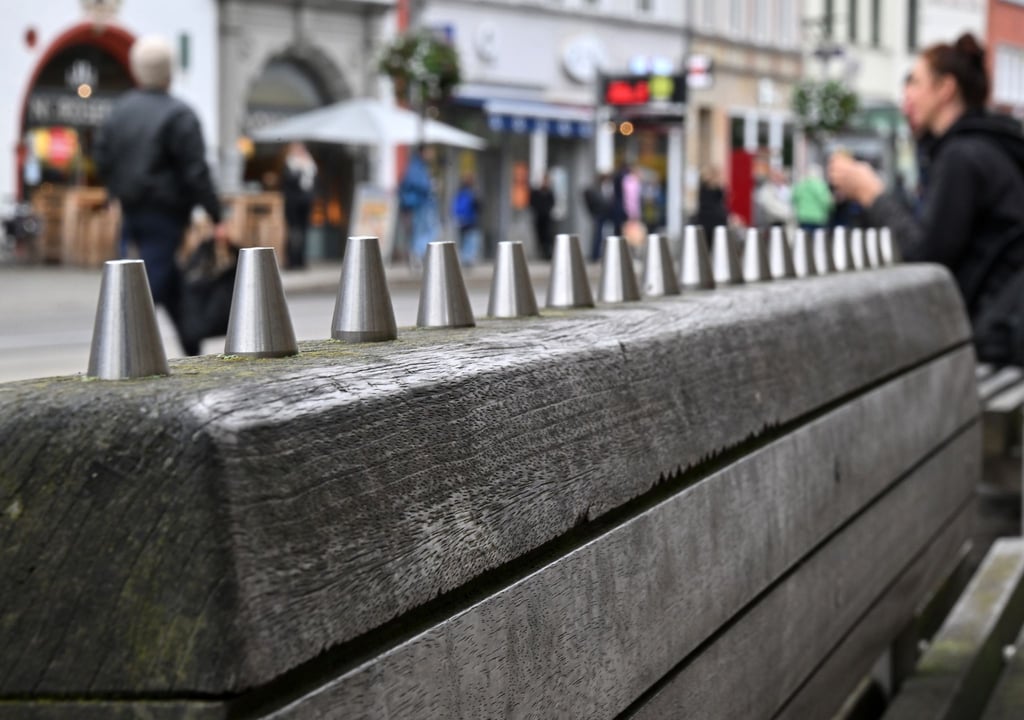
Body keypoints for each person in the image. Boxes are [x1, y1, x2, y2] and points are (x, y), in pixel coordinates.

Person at [829, 33, 1024, 364]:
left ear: (945, 88)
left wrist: (871, 194)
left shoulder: (962, 156)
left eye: (915, 82)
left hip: (992, 341)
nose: (907, 94)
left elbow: (924, 254)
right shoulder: (992, 146)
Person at [95, 35, 226, 357]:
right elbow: (196, 171)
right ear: (169, 71)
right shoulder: (179, 114)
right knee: (150, 283)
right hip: (166, 214)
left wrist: (116, 192)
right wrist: (216, 214)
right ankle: (125, 352)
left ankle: (186, 345)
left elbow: (102, 158)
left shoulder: (119, 111)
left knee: (145, 276)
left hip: (130, 211)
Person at [398, 145, 439, 266]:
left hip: (421, 204)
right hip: (420, 204)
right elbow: (417, 183)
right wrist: (430, 185)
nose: (432, 154)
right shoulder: (416, 166)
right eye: (429, 151)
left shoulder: (419, 165)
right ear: (423, 152)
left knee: (422, 230)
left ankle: (418, 254)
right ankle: (418, 254)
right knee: (424, 230)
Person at [281, 142, 317, 270]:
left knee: (304, 232)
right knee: (293, 232)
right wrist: (300, 169)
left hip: (305, 203)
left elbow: (313, 184)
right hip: (293, 204)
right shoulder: (290, 164)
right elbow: (289, 181)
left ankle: (301, 260)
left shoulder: (310, 165)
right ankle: (291, 260)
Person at [791, 165, 833, 233]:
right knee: (818, 238)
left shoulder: (802, 184)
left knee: (805, 237)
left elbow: (794, 198)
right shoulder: (821, 186)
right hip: (818, 218)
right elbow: (826, 201)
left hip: (803, 217)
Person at [451, 173, 481, 267]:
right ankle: (468, 259)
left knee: (464, 241)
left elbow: (454, 209)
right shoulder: (471, 194)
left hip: (462, 222)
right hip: (471, 222)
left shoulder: (459, 194)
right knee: (470, 240)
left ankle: (465, 258)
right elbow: (478, 207)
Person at [694, 165, 730, 241]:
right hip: (716, 220)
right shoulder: (716, 187)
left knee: (705, 243)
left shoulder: (702, 186)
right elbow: (721, 203)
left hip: (704, 220)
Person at [583, 173, 611, 262]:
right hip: (599, 215)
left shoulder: (600, 189)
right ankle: (595, 255)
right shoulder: (594, 189)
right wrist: (593, 213)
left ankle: (597, 255)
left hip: (602, 215)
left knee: (601, 235)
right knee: (598, 236)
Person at [529, 172, 556, 260]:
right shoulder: (536, 192)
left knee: (548, 235)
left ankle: (548, 253)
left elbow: (552, 203)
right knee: (539, 235)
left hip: (547, 218)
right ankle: (541, 253)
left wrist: (547, 210)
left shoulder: (550, 193)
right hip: (539, 217)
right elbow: (532, 203)